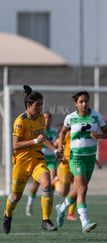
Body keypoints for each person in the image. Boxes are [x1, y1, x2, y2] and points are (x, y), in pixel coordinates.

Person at [3, 85, 61, 234]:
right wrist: (35, 141)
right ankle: (7, 215)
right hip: (21, 163)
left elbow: (44, 137)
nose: (40, 108)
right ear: (28, 105)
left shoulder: (41, 119)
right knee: (16, 197)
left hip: (37, 160)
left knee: (47, 184)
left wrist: (54, 150)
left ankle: (46, 220)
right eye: (37, 105)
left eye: (41, 104)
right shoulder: (20, 121)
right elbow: (15, 145)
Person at [55, 90, 107, 233]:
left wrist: (98, 135)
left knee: (76, 190)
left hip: (90, 157)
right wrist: (61, 144)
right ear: (76, 104)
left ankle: (61, 208)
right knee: (83, 189)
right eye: (81, 101)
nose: (84, 104)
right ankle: (85, 222)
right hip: (76, 157)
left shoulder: (96, 116)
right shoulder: (70, 118)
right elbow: (62, 131)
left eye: (86, 101)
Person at [25, 112, 59, 216]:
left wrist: (58, 148)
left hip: (52, 161)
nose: (47, 120)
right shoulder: (39, 131)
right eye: (45, 118)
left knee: (51, 181)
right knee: (36, 183)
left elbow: (57, 142)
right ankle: (29, 204)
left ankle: (47, 204)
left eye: (49, 118)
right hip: (40, 161)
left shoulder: (54, 132)